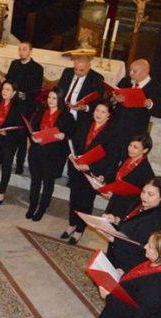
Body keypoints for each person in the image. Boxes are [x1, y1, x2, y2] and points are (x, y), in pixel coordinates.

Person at [63, 101, 118, 245]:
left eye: (103, 112)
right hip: (77, 168)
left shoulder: (112, 132)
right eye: (97, 111)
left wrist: (90, 166)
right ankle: (72, 224)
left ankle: (80, 229)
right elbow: (74, 142)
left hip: (93, 173)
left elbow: (111, 157)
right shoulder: (85, 124)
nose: (98, 114)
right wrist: (72, 155)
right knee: (74, 198)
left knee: (86, 202)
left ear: (108, 116)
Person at [102, 176, 161, 272]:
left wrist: (111, 237)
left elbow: (139, 247)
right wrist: (116, 220)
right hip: (118, 252)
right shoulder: (141, 203)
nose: (144, 196)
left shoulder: (158, 219)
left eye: (150, 194)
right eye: (143, 192)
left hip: (130, 262)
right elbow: (132, 222)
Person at [26, 87, 75, 220]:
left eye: (54, 98)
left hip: (54, 154)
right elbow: (32, 129)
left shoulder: (67, 116)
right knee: (35, 181)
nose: (51, 101)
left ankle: (42, 208)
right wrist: (33, 137)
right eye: (49, 98)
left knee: (48, 182)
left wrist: (63, 135)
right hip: (37, 152)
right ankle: (32, 205)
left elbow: (72, 132)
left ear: (60, 100)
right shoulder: (40, 112)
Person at [110, 59, 161, 159]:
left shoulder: (155, 87)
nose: (131, 74)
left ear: (145, 71)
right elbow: (111, 100)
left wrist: (150, 104)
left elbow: (160, 112)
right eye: (130, 70)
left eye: (134, 71)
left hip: (134, 134)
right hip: (116, 129)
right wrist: (114, 100)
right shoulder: (125, 81)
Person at [5, 42, 45, 175]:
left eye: (24, 49)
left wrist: (24, 94)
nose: (21, 52)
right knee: (10, 134)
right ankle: (6, 160)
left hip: (27, 107)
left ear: (30, 51)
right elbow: (9, 80)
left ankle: (20, 163)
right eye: (20, 49)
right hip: (12, 104)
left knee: (22, 137)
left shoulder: (37, 68)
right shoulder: (14, 64)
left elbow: (37, 89)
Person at [0, 81, 24, 205]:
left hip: (9, 142)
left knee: (6, 167)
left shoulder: (18, 107)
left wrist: (7, 133)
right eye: (3, 89)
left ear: (13, 93)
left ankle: (1, 192)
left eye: (8, 89)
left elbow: (20, 127)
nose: (4, 91)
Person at [100, 134, 155, 219]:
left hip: (127, 208)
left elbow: (140, 196)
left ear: (145, 150)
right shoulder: (127, 159)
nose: (130, 149)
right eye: (130, 145)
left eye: (135, 147)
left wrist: (114, 196)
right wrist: (104, 181)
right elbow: (119, 178)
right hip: (115, 202)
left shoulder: (145, 170)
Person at [57, 56, 105, 126]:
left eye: (81, 70)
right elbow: (59, 90)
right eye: (75, 69)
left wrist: (86, 108)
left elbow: (99, 100)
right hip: (62, 109)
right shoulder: (67, 72)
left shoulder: (96, 78)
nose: (78, 73)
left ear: (88, 67)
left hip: (79, 114)